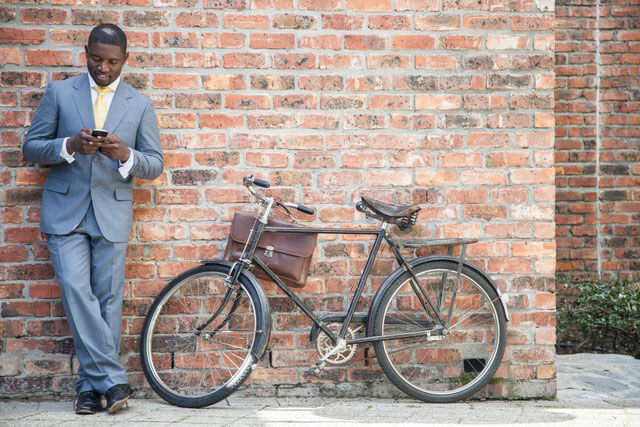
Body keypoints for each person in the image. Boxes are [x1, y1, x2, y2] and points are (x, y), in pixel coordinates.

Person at [23, 24, 163, 415]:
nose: (103, 68)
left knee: (108, 301)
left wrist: (124, 155)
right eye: (96, 58)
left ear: (126, 60)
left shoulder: (140, 104)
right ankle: (114, 381)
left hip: (112, 211)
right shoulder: (59, 92)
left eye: (112, 61)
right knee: (74, 289)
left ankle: (89, 388)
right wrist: (68, 145)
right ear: (86, 51)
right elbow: (31, 147)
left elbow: (155, 165)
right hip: (65, 210)